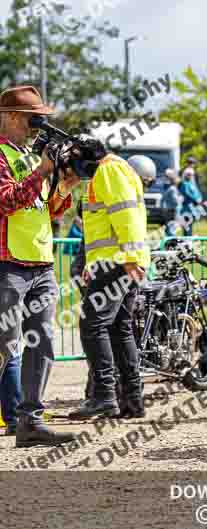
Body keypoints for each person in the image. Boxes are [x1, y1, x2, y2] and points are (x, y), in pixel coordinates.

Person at [0, 86, 80, 445]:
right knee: (5, 346)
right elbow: (7, 202)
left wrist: (63, 186)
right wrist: (42, 171)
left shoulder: (33, 159)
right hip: (8, 265)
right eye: (35, 117)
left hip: (41, 264)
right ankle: (16, 417)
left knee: (42, 343)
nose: (39, 124)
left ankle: (29, 421)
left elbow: (48, 211)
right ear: (13, 116)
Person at [68, 153, 151, 420]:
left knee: (92, 325)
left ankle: (104, 396)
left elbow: (124, 216)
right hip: (118, 262)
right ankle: (132, 401)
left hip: (115, 263)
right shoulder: (120, 170)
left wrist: (128, 258)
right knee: (119, 329)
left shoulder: (108, 171)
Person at [178, 167, 203, 236]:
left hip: (192, 209)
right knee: (187, 226)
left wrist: (199, 199)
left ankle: (189, 240)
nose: (190, 176)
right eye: (188, 174)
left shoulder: (192, 184)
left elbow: (198, 193)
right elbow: (186, 193)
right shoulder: (184, 184)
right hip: (186, 209)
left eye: (191, 174)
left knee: (190, 225)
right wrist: (195, 200)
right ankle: (187, 240)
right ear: (185, 175)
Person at [161, 168, 182, 237]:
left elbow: (162, 199)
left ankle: (168, 240)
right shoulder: (173, 189)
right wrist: (181, 198)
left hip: (168, 209)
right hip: (172, 210)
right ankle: (170, 241)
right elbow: (176, 201)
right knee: (172, 228)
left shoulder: (169, 188)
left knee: (169, 227)